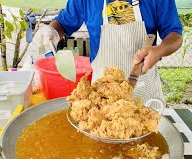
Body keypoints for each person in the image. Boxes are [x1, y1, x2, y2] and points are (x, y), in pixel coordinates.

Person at [37, 0, 183, 107]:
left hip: (144, 88)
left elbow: (174, 35)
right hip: (102, 91)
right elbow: (62, 23)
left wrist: (159, 50)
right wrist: (52, 30)